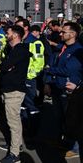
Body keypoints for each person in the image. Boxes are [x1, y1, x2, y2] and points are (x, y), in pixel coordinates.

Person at [44, 22, 83, 159]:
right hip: (57, 86)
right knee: (60, 117)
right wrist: (48, 81)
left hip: (69, 90)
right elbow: (53, 63)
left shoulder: (77, 50)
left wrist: (49, 70)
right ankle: (65, 142)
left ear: (73, 34)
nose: (60, 34)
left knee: (72, 119)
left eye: (63, 32)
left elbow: (69, 69)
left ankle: (75, 148)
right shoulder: (63, 48)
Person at [0, 25, 31, 163]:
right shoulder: (13, 50)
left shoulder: (19, 50)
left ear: (16, 35)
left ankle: (15, 154)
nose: (6, 35)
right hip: (9, 90)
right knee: (10, 120)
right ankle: (15, 144)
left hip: (14, 91)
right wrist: (7, 66)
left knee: (13, 122)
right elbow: (5, 66)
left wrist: (7, 66)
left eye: (8, 33)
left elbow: (4, 66)